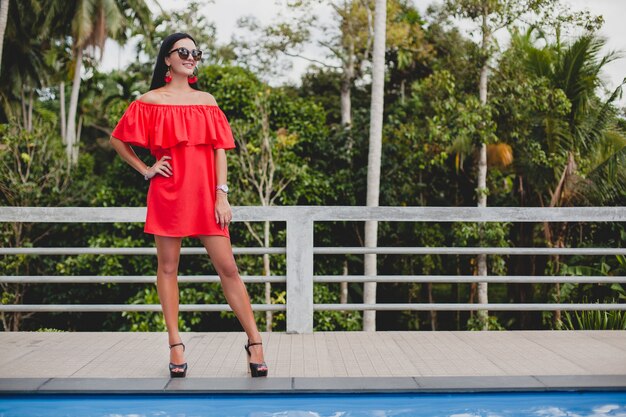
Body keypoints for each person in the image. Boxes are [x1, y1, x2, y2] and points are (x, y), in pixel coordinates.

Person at [109, 32, 268, 378]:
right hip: (167, 193)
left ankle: (255, 341)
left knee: (228, 268)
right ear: (167, 58)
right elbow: (118, 139)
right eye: (184, 51)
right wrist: (146, 170)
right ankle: (175, 344)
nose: (191, 56)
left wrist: (221, 194)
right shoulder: (149, 101)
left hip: (207, 198)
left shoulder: (207, 101)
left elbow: (219, 150)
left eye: (196, 52)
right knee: (168, 269)